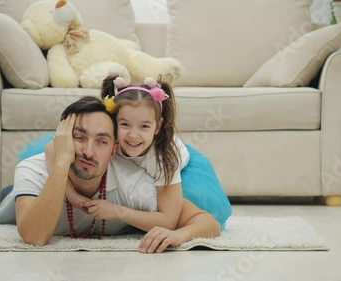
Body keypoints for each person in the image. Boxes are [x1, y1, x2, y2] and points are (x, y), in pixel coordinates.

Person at [0, 96, 220, 252]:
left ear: (114, 151)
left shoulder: (134, 182)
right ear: (61, 137)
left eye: (101, 142)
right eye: (78, 138)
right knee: (14, 201)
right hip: (37, 186)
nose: (88, 152)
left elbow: (207, 222)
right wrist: (60, 163)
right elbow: (34, 237)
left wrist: (179, 235)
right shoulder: (34, 169)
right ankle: (9, 198)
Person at [58, 76, 231, 231]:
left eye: (144, 126)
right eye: (125, 124)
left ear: (158, 126)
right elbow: (53, 150)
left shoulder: (164, 159)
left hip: (172, 158)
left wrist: (118, 212)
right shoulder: (106, 138)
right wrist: (71, 194)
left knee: (178, 209)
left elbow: (168, 221)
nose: (133, 135)